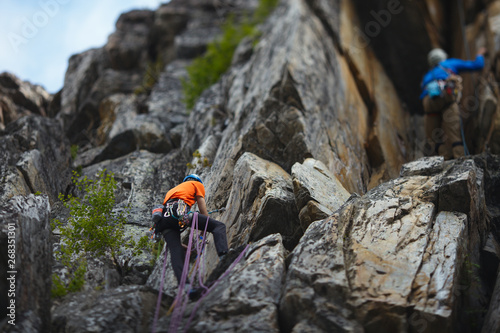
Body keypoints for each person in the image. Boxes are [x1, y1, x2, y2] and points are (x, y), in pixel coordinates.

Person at [154, 174, 228, 286]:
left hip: (163, 221)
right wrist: (205, 226)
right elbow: (201, 204)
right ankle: (224, 256)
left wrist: (183, 247)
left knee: (175, 250)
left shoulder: (172, 191)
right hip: (179, 213)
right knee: (218, 226)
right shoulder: (196, 184)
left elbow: (169, 219)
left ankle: (185, 285)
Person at [420, 47, 486, 159]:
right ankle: (460, 159)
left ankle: (444, 158)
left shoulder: (427, 75)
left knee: (434, 137)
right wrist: (480, 54)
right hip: (447, 96)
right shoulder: (450, 63)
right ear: (443, 57)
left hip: (428, 101)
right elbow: (477, 65)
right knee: (454, 133)